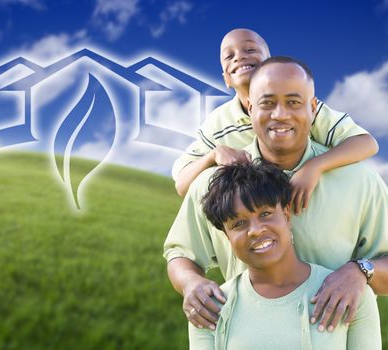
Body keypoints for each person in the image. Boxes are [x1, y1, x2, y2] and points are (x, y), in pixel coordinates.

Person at [164, 56, 388, 334]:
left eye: (293, 102)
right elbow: (180, 253)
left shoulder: (360, 181)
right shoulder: (213, 183)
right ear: (249, 107)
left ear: (313, 107)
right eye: (267, 103)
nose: (280, 114)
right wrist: (190, 283)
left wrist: (361, 271)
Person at [172, 29, 378, 217]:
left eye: (250, 49)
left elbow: (366, 143)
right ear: (226, 78)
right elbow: (183, 185)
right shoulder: (218, 123)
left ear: (269, 64)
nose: (240, 56)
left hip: (315, 207)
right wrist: (213, 155)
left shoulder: (301, 109)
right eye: (229, 55)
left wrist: (314, 167)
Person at [188, 162, 381, 350]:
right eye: (238, 224)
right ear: (226, 236)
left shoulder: (351, 294)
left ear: (287, 216)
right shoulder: (208, 307)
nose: (255, 230)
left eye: (265, 213)